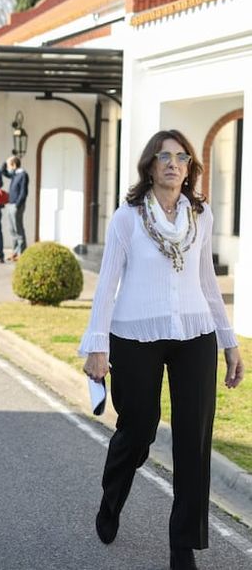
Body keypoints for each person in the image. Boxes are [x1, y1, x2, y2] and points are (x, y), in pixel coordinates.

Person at [80, 130, 243, 570]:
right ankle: (112, 497)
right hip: (133, 334)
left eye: (181, 157)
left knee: (194, 437)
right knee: (139, 428)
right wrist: (97, 346)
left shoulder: (201, 216)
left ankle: (182, 545)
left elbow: (208, 283)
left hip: (195, 334)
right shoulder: (127, 218)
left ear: (189, 167)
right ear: (149, 166)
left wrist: (229, 342)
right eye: (164, 157)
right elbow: (106, 286)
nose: (173, 164)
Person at [0, 155, 29, 260]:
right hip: (10, 204)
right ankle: (15, 252)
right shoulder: (14, 174)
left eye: (9, 165)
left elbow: (23, 192)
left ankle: (22, 252)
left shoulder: (23, 175)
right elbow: (3, 172)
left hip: (17, 205)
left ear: (14, 165)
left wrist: (17, 205)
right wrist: (6, 161)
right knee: (12, 229)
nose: (8, 167)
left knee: (18, 229)